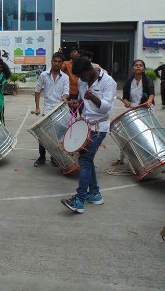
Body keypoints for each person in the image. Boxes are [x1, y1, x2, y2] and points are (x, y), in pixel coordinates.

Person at [61, 58, 117, 214]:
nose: (81, 79)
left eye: (82, 76)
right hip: (86, 125)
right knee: (88, 159)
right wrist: (76, 101)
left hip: (100, 126)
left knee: (84, 160)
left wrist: (92, 97)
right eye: (79, 77)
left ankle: (79, 200)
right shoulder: (82, 81)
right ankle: (94, 193)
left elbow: (106, 108)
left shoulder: (108, 82)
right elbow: (83, 100)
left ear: (89, 70)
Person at [110, 60, 155, 169]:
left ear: (144, 68)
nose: (138, 67)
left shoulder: (148, 80)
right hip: (133, 109)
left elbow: (151, 95)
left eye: (140, 65)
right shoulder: (129, 82)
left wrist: (148, 102)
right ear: (133, 68)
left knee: (149, 135)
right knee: (127, 134)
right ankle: (121, 158)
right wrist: (126, 102)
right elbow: (125, 97)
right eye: (136, 65)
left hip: (146, 109)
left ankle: (155, 160)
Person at [33, 52, 69, 167]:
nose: (56, 63)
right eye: (55, 61)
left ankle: (54, 157)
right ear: (51, 61)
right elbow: (37, 90)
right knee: (42, 135)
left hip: (59, 110)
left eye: (59, 62)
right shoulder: (44, 75)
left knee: (57, 136)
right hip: (47, 109)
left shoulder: (65, 77)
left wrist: (64, 97)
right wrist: (37, 107)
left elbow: (66, 92)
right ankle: (42, 157)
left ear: (62, 64)